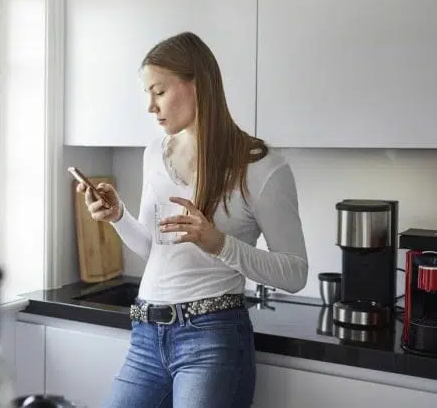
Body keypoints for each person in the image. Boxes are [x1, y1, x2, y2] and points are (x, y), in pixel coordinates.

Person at [76, 32, 309, 408]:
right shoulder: (155, 153)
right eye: (148, 94)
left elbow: (295, 273)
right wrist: (118, 216)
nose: (151, 106)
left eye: (159, 91)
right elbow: (154, 248)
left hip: (212, 340)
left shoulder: (261, 167)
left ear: (197, 85)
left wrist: (219, 243)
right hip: (146, 337)